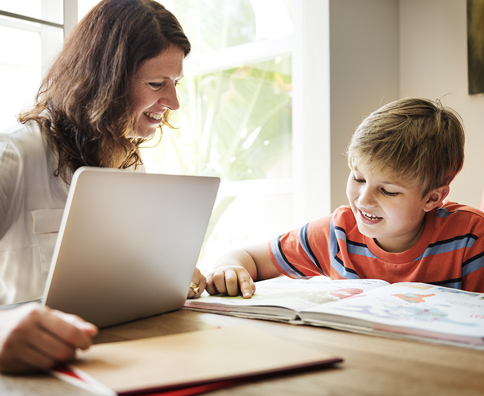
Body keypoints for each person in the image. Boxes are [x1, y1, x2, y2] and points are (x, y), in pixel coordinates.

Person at [0, 0, 205, 372]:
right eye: (156, 84)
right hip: (19, 372)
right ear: (105, 81)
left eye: (175, 83)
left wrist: (170, 277)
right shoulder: (17, 152)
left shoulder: (127, 163)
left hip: (103, 359)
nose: (173, 102)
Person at [206, 97, 484, 299]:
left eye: (387, 190)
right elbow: (247, 257)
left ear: (432, 199)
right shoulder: (337, 232)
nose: (364, 200)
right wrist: (229, 268)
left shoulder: (472, 237)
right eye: (358, 178)